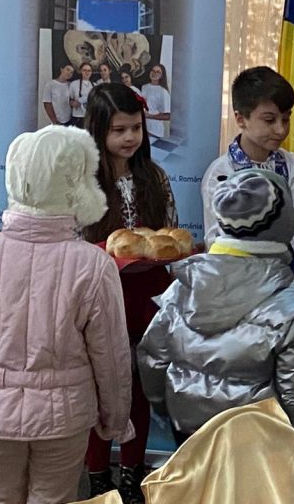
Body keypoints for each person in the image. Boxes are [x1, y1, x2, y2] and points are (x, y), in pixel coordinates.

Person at [0, 126, 132, 504]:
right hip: (65, 417)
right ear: (76, 184)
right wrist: (115, 418)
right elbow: (111, 355)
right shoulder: (94, 265)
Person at [138, 169, 294, 491]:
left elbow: (153, 357)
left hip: (189, 432)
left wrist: (166, 408)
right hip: (261, 443)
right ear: (284, 224)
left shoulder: (183, 286)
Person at [82, 84, 177, 503]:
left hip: (147, 293)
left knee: (140, 385)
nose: (129, 138)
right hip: (102, 296)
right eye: (118, 130)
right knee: (101, 388)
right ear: (97, 131)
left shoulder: (154, 177)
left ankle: (132, 474)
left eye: (136, 128)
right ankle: (97, 475)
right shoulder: (84, 182)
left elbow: (168, 230)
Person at [201, 66, 294, 280]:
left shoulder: (290, 164)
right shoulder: (220, 172)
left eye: (286, 119)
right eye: (269, 120)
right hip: (239, 277)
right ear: (241, 119)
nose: (280, 130)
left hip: (288, 272)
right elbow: (216, 241)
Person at [140, 64, 170, 141]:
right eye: (153, 71)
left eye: (158, 72)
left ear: (162, 75)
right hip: (142, 128)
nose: (154, 73)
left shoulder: (163, 92)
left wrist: (149, 116)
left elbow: (168, 116)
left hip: (154, 131)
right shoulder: (144, 87)